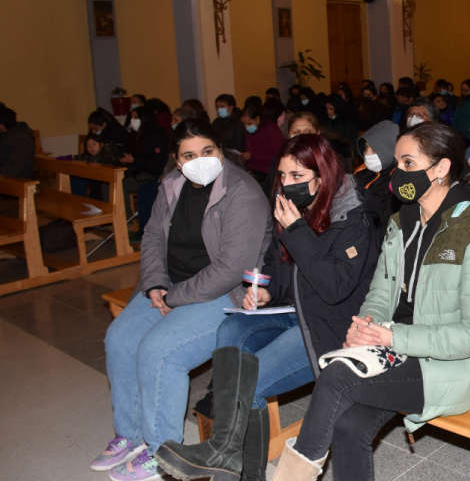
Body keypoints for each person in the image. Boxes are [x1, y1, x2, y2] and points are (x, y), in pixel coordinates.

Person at [264, 121, 470, 481]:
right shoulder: (402, 221)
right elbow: (380, 292)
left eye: (408, 163)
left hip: (459, 364)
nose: (397, 174)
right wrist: (368, 324)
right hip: (401, 346)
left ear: (441, 169)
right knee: (348, 423)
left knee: (335, 378)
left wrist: (390, 338)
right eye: (397, 163)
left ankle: (291, 477)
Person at [156, 134, 379, 481]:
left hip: (330, 325)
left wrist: (297, 230)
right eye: (282, 176)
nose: (287, 185)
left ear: (323, 176)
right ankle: (231, 459)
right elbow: (278, 269)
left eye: (297, 177)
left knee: (252, 383)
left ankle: (228, 459)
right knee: (231, 330)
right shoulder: (289, 207)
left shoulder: (353, 218)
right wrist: (264, 293)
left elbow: (334, 288)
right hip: (292, 312)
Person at [94, 120, 271, 481]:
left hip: (223, 293)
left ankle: (162, 451)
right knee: (120, 340)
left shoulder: (243, 192)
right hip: (169, 284)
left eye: (208, 152)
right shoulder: (171, 185)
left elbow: (229, 269)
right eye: (189, 155)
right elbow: (153, 239)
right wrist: (155, 283)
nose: (200, 160)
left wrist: (173, 297)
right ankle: (131, 435)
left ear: (221, 152)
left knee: (161, 352)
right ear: (177, 161)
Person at [122, 106, 170, 219]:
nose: (132, 120)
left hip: (153, 173)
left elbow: (158, 159)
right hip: (140, 170)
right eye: (132, 117)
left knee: (120, 184)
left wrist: (134, 160)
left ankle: (126, 220)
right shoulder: (137, 134)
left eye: (136, 117)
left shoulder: (155, 134)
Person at [355, 120, 401, 238]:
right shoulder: (362, 172)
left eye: (374, 149)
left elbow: (386, 222)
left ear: (389, 149)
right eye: (366, 147)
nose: (367, 153)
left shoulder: (396, 181)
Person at [241, 104, 285, 183]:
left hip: (267, 171)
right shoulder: (249, 132)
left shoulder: (272, 130)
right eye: (244, 124)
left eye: (249, 123)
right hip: (252, 168)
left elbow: (277, 156)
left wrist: (252, 156)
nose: (246, 126)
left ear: (257, 119)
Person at [0, 106, 34, 179]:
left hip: (17, 182)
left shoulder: (22, 140)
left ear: (2, 126)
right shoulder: (4, 136)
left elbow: (12, 170)